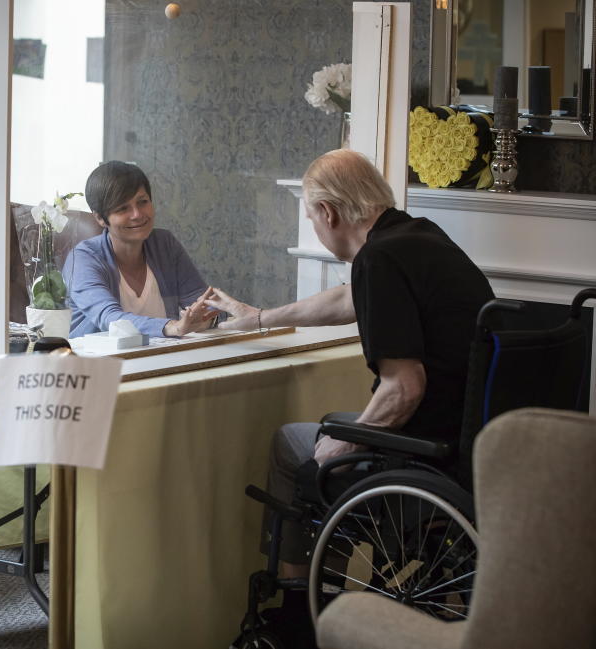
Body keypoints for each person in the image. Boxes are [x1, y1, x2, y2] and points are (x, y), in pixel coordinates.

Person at [206, 149, 494, 594]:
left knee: (297, 446)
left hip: (423, 453)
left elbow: (405, 388)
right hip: (469, 446)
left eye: (311, 218)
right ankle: (331, 596)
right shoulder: (418, 237)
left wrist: (343, 442)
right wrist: (262, 317)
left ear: (327, 212)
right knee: (329, 439)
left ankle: (302, 608)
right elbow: (347, 300)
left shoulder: (378, 260)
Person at [64, 161, 215, 338]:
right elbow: (111, 319)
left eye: (142, 202)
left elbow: (202, 302)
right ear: (100, 218)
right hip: (98, 362)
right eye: (123, 208)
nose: (137, 214)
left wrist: (205, 318)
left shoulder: (164, 244)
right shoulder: (83, 258)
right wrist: (173, 327)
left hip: (159, 359)